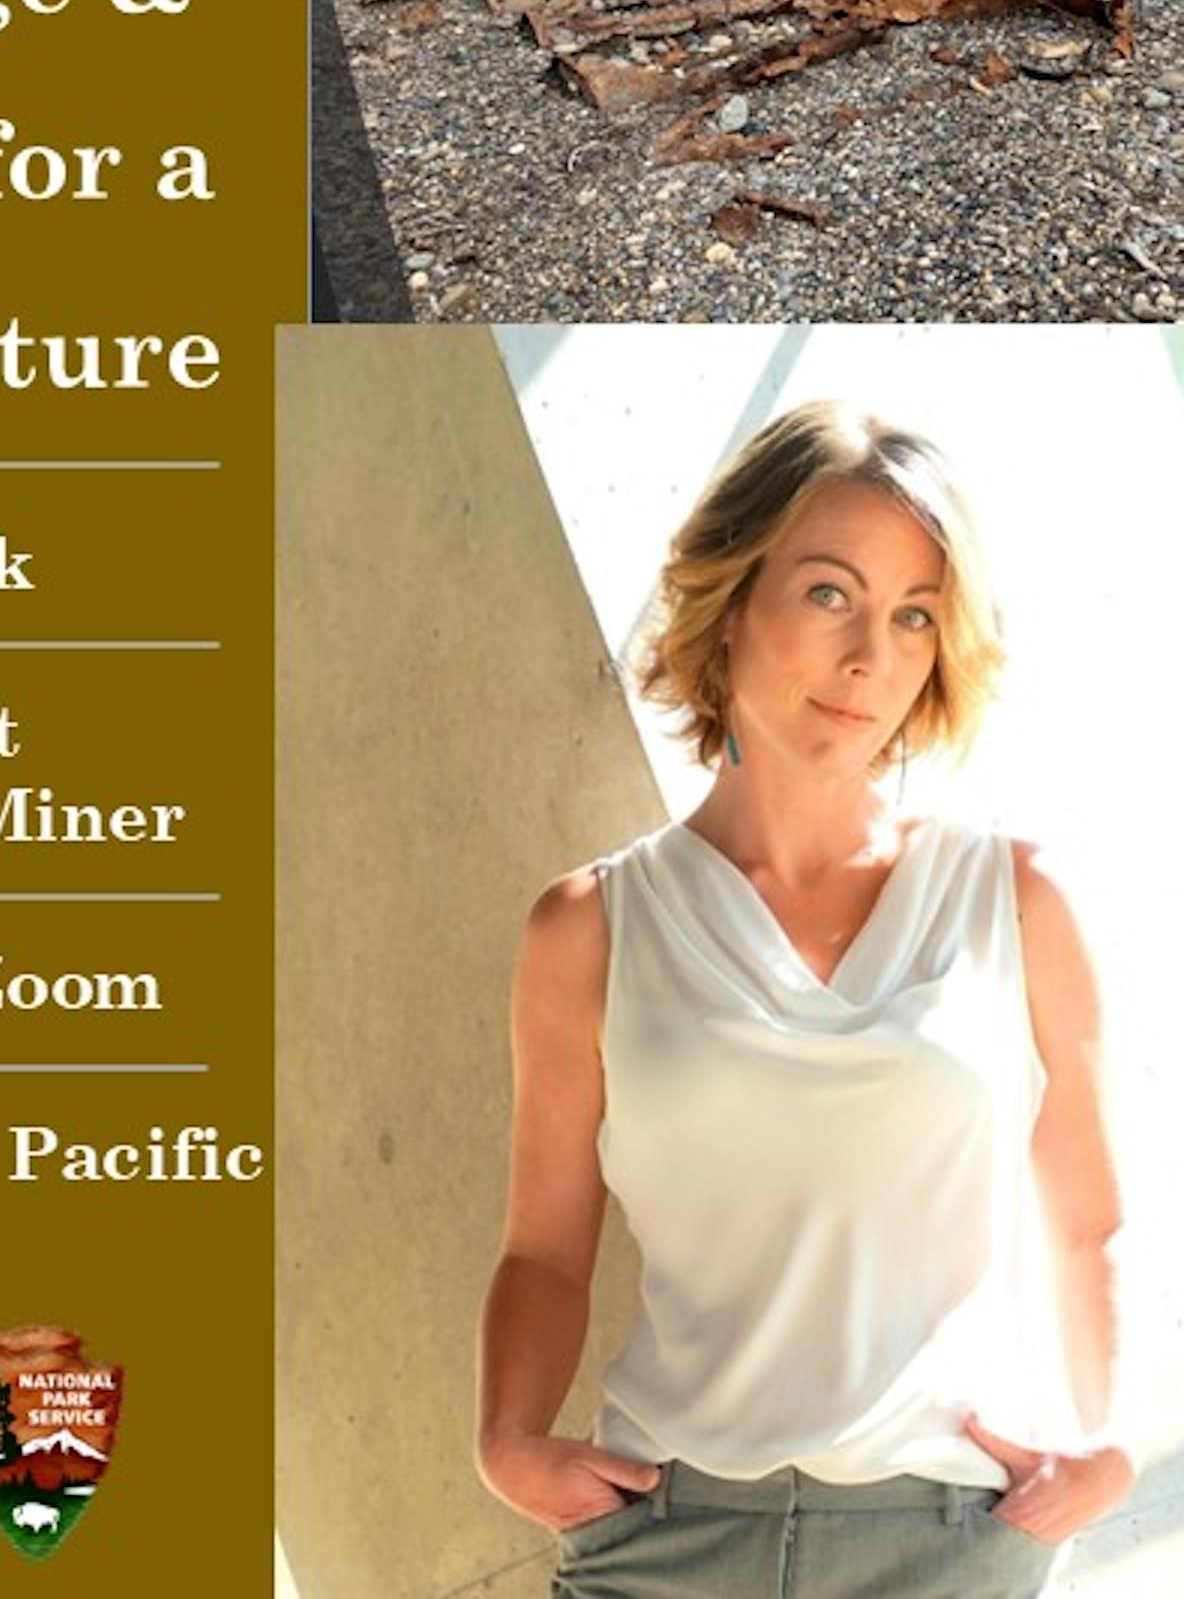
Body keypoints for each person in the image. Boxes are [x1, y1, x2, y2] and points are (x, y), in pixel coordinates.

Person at [475, 401, 1134, 1599]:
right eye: (830, 593)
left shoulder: (1017, 897)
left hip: (950, 1536)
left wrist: (1109, 1435)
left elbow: (1089, 1217)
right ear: (731, 606)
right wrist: (509, 1439)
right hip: (663, 1538)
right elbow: (545, 1247)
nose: (871, 657)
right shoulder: (589, 928)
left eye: (915, 616)